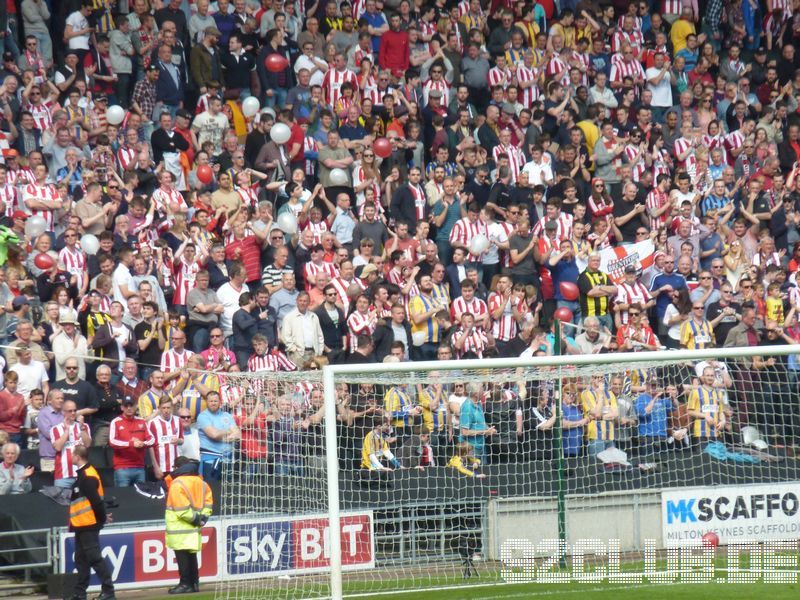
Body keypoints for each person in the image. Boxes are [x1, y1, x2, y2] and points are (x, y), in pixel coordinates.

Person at [68, 445, 116, 600]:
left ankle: (108, 591)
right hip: (82, 524)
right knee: (81, 560)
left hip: (88, 524)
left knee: (94, 558)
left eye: (72, 455)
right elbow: (94, 502)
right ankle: (79, 593)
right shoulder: (84, 474)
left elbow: (96, 502)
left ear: (77, 456)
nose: (71, 457)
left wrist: (101, 519)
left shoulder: (87, 476)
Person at [164, 456, 213, 595]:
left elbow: (181, 509)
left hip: (180, 527)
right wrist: (202, 519)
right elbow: (208, 503)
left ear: (176, 468)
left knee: (182, 556)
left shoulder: (177, 483)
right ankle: (194, 583)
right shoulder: (202, 482)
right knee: (191, 556)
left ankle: (185, 584)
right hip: (194, 528)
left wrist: (195, 519)